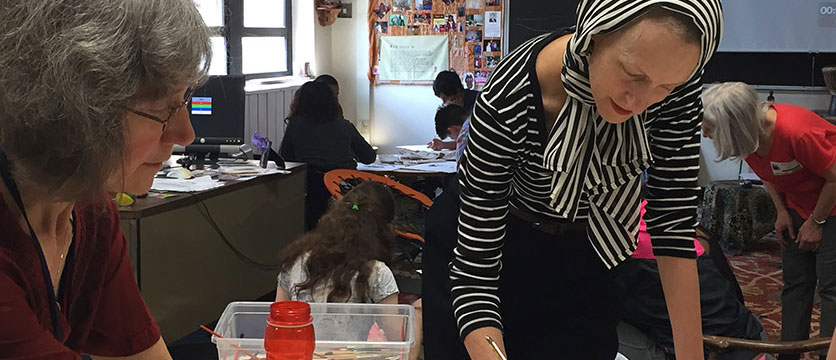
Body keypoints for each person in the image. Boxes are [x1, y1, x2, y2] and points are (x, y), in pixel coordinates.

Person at [433, 1, 724, 358]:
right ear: (593, 34)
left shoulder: (677, 88)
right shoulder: (509, 98)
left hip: (592, 239)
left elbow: (672, 228)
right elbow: (475, 278)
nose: (641, 102)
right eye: (633, 74)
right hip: (496, 238)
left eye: (665, 87)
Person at [0, 0, 211, 358]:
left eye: (184, 100)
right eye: (163, 108)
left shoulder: (89, 212)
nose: (186, 132)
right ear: (70, 109)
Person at [702, 82, 836, 360]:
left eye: (710, 127)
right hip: (799, 206)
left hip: (831, 207)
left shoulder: (797, 132)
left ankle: (828, 354)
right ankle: (788, 354)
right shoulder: (747, 136)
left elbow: (835, 176)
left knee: (831, 288)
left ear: (731, 124)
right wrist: (782, 212)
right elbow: (769, 172)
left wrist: (817, 222)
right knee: (796, 284)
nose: (705, 133)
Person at [276, 181, 423, 360]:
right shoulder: (376, 272)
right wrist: (417, 314)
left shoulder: (297, 258)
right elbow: (399, 347)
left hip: (298, 354)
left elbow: (279, 320)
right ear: (387, 229)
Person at [617, 202, 768, 360]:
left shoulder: (617, 242)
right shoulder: (666, 218)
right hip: (750, 337)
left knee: (596, 323)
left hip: (706, 351)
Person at [279, 81, 376, 230]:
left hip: (312, 191)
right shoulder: (344, 126)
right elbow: (369, 157)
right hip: (345, 189)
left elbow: (285, 158)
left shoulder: (295, 125)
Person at [427, 70, 479, 151]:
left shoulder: (476, 103)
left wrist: (445, 145)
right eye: (442, 100)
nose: (445, 103)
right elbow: (464, 139)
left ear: (458, 92)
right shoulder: (455, 108)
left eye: (447, 98)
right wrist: (444, 145)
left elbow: (474, 140)